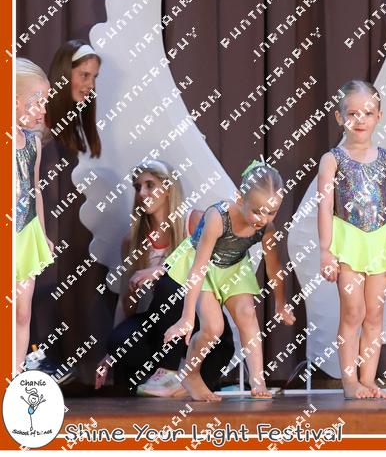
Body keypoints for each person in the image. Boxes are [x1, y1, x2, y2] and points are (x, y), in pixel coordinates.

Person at [94, 160, 233, 397]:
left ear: (168, 188)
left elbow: (215, 273)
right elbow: (126, 304)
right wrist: (110, 354)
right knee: (119, 341)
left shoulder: (195, 222)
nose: (142, 193)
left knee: (169, 284)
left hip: (201, 326)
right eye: (138, 187)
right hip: (161, 328)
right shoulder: (132, 240)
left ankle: (174, 372)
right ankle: (163, 379)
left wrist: (161, 269)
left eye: (150, 185)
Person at [317, 80, 386, 399]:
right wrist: (325, 251)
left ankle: (368, 379)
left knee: (374, 314)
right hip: (348, 241)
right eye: (352, 113)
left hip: (379, 241)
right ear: (339, 117)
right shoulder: (332, 159)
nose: (360, 120)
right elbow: (324, 206)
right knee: (353, 311)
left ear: (379, 116)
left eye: (368, 113)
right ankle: (350, 381)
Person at [163, 160, 296, 401]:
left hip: (234, 266)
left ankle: (258, 380)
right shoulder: (218, 217)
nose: (263, 218)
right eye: (257, 211)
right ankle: (191, 373)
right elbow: (199, 266)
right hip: (203, 266)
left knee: (247, 313)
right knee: (213, 327)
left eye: (271, 212)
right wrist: (187, 316)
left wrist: (280, 302)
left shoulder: (266, 228)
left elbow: (274, 267)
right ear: (240, 198)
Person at [15, 58, 55, 376]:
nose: (43, 110)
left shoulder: (33, 143)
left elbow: (35, 189)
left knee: (22, 312)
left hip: (26, 235)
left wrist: (41, 231)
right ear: (14, 101)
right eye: (37, 101)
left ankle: (13, 374)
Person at [42, 39, 101, 156]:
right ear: (64, 73)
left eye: (94, 77)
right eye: (85, 75)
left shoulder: (69, 118)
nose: (91, 85)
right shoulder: (37, 119)